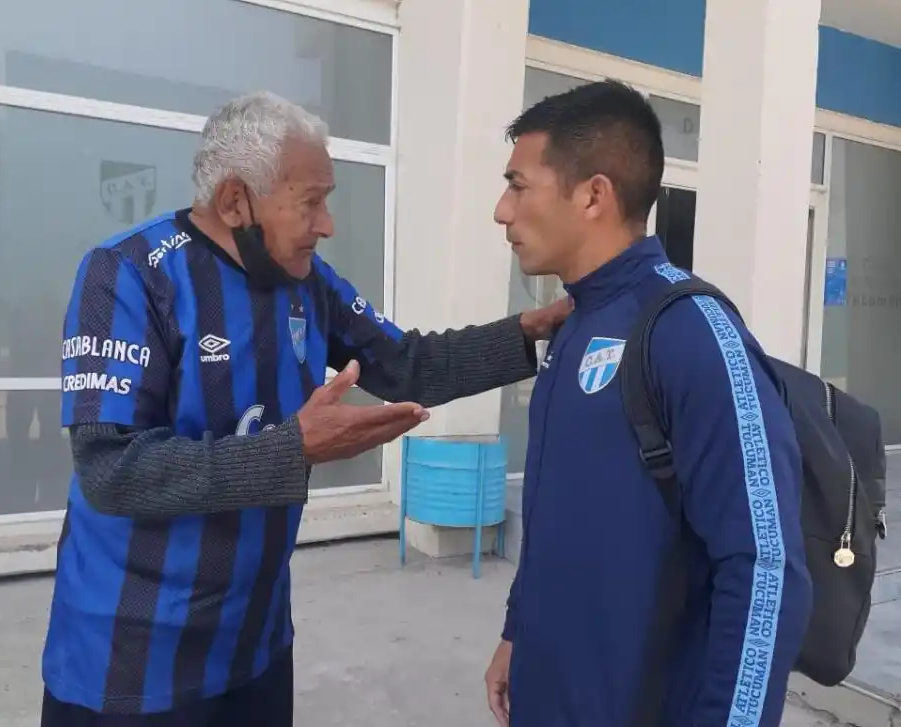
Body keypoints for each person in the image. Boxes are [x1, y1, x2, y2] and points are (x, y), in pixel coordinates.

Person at [42, 90, 570, 727]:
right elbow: (111, 470)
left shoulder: (310, 284)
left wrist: (526, 332)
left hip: (255, 644)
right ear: (236, 201)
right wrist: (293, 448)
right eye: (310, 202)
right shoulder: (127, 275)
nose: (327, 225)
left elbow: (407, 364)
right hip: (132, 659)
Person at [484, 80, 813, 727]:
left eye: (518, 184)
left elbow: (766, 565)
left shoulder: (690, 330)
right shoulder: (572, 325)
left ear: (593, 195)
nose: (501, 210)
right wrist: (518, 632)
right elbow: (559, 511)